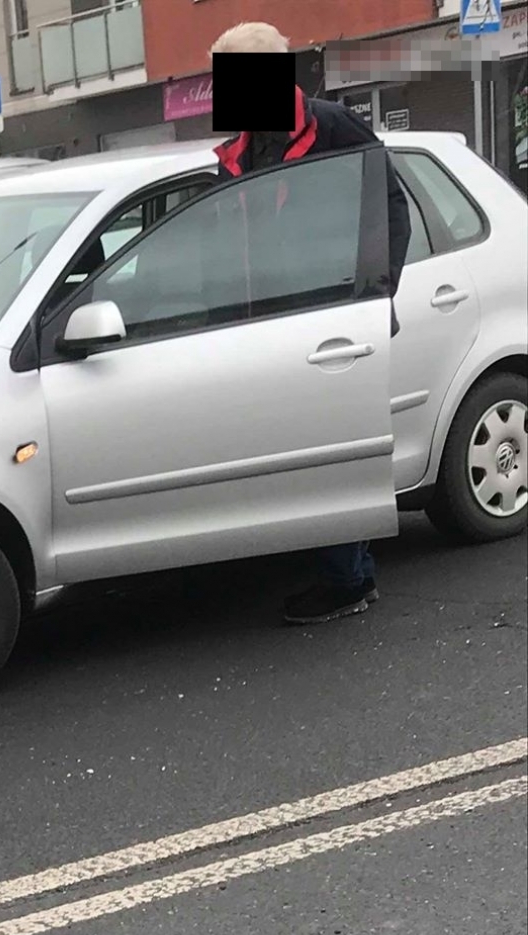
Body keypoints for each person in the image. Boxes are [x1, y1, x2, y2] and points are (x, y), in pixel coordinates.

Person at [209, 21, 411, 626]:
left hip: (330, 321)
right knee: (291, 451)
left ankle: (349, 579)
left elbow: (389, 209)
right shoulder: (238, 152)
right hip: (266, 326)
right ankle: (328, 564)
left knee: (332, 450)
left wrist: (372, 295)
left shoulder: (334, 128)